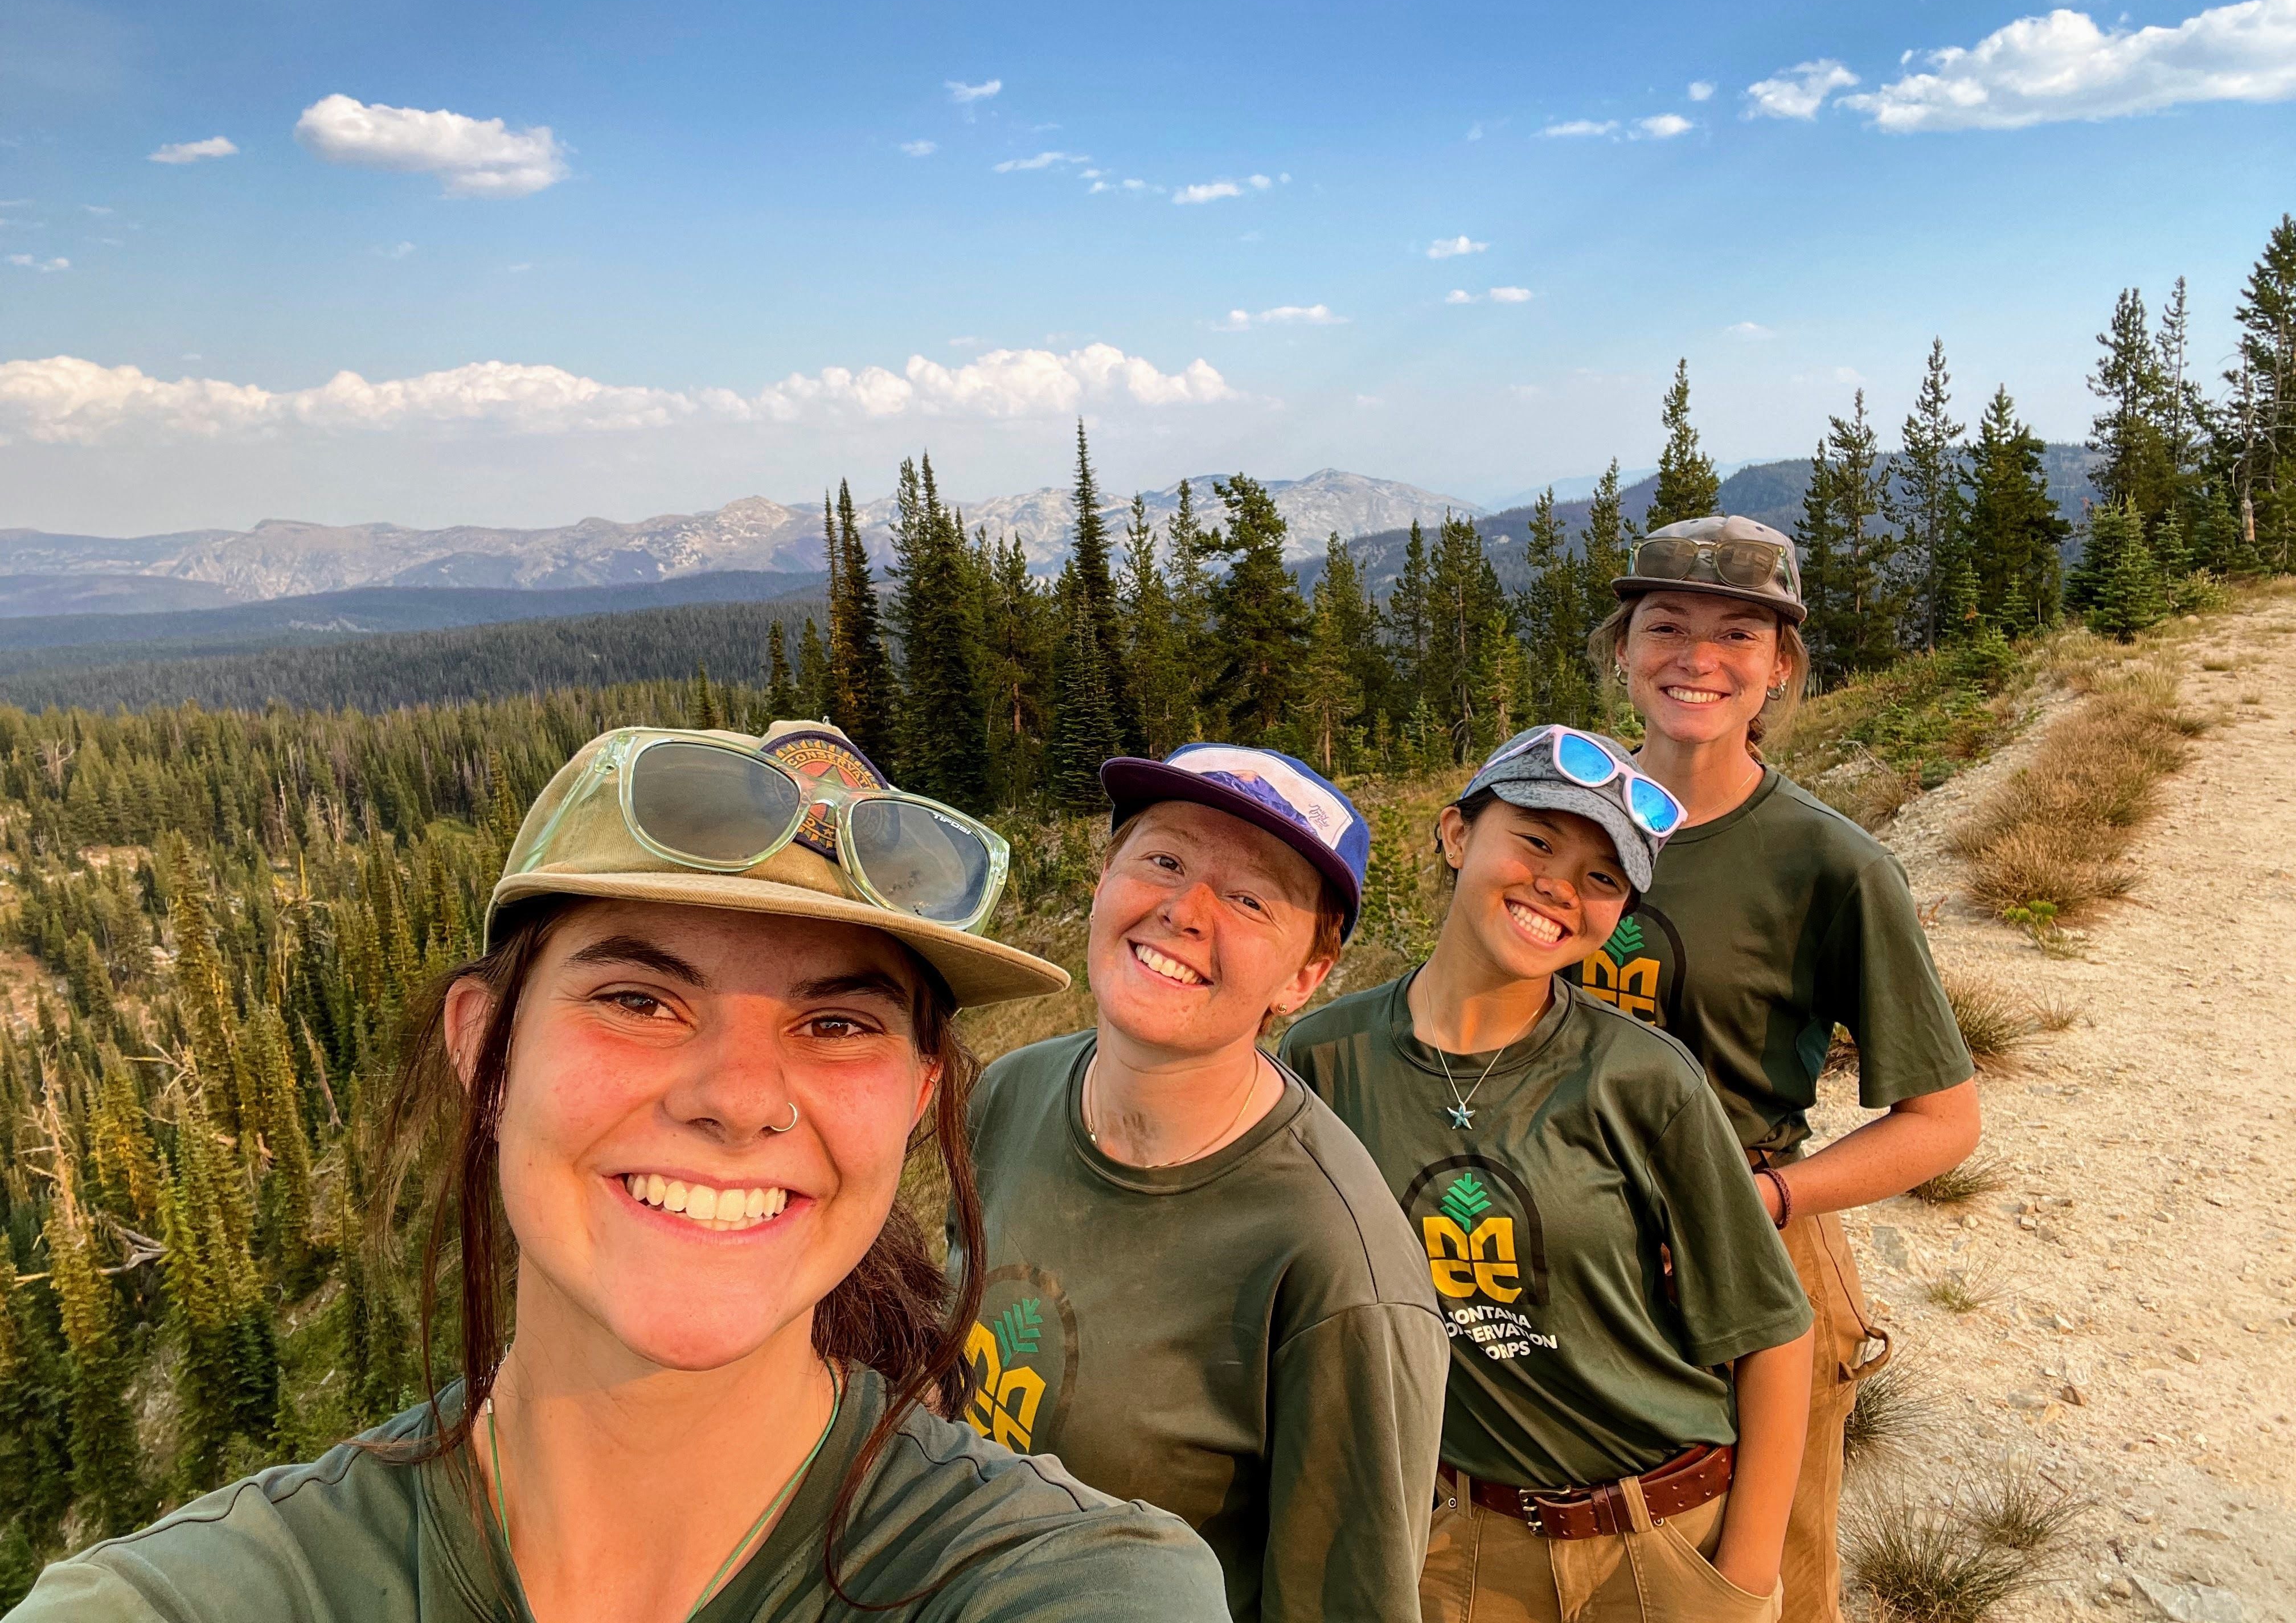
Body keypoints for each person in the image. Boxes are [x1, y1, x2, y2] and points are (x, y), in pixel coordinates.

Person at [19, 722, 1228, 1623]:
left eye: (840, 1024)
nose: (740, 1098)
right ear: (483, 1053)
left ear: (917, 1100)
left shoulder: (1063, 1585)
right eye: (640, 1000)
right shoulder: (202, 1600)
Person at [1282, 726, 1815, 1623]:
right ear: (1458, 836)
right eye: (1535, 840)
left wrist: (1741, 1581)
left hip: (1661, 1539)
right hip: (1457, 1547)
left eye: (1603, 877)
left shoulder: (1644, 1078)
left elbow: (1771, 1331)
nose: (1560, 887)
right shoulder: (1327, 1057)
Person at [1577, 514, 1982, 1623]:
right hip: (1560, 1247)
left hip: (1748, 1251)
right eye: (1666, 625)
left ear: (1780, 668)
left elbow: (1944, 1122)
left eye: (1739, 635)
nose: (1697, 659)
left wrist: (1767, 1198)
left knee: (1762, 1586)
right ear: (1623, 648)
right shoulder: (1561, 830)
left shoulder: (1831, 864)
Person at [954, 744, 1449, 1623]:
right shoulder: (1012, 1091)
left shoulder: (1339, 1269)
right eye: (1165, 861)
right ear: (1106, 879)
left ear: (1305, 977)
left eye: (1251, 899)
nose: (1185, 910)